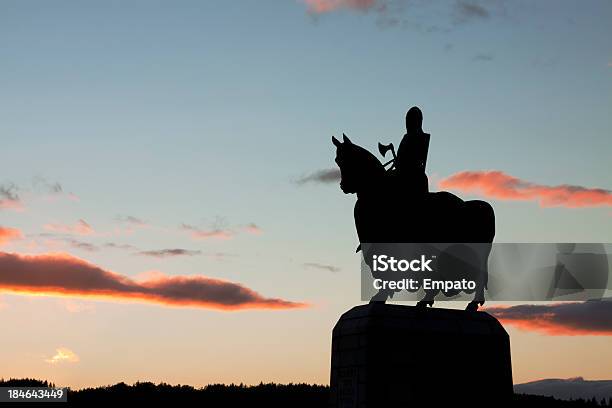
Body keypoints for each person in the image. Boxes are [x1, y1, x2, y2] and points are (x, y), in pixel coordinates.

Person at [395, 106, 430, 195]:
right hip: (410, 174)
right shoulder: (418, 137)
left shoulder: (409, 138)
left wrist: (398, 163)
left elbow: (404, 159)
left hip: (407, 175)